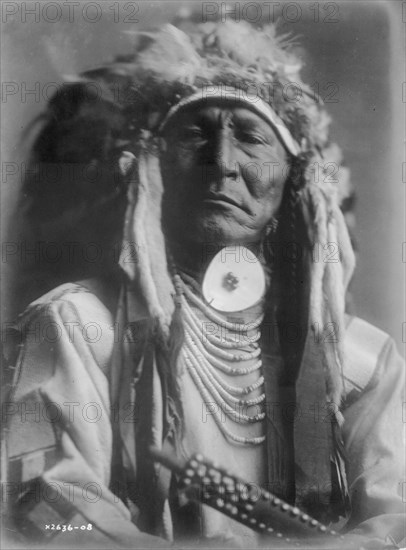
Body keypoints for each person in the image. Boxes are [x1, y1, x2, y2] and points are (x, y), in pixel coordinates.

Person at [2, 20, 404, 549]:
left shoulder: (361, 360)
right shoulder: (76, 325)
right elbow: (44, 505)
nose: (222, 161)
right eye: (194, 133)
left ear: (294, 182)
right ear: (153, 168)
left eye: (251, 136)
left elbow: (395, 523)